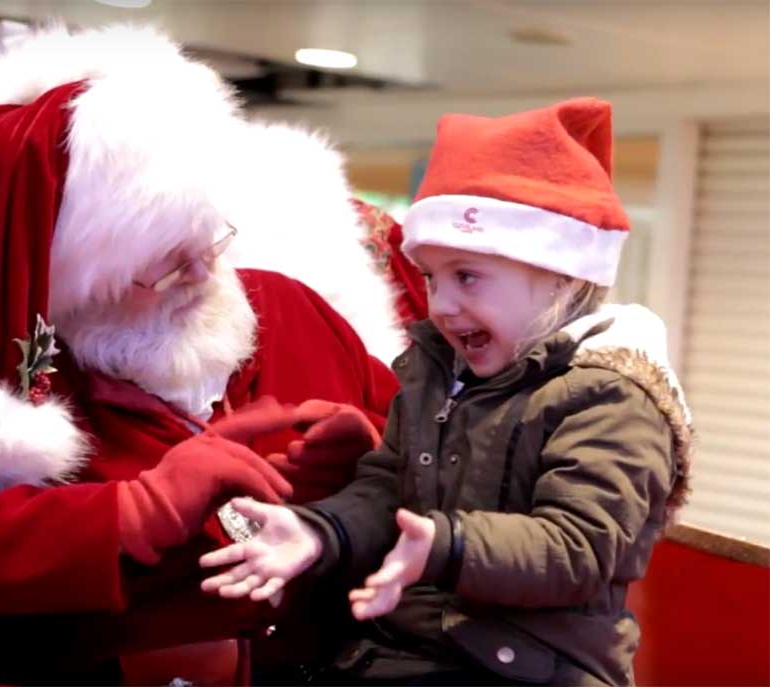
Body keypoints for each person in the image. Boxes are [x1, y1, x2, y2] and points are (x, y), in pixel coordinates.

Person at [0, 24, 420, 685]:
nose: (205, 275)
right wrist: (134, 512)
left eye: (209, 242)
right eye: (167, 266)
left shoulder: (292, 312)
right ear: (75, 289)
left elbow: (456, 476)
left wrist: (377, 458)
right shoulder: (6, 376)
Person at [200, 98, 694, 686]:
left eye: (467, 276)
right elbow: (389, 486)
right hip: (402, 653)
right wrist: (319, 531)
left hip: (530, 668)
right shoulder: (439, 371)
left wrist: (446, 542)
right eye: (432, 277)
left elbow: (578, 550)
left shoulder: (610, 395)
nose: (441, 303)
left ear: (561, 277)